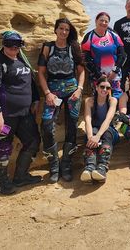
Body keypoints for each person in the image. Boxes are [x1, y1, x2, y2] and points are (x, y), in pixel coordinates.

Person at [0, 31, 42, 195]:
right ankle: (2, 183)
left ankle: (21, 176)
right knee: (2, 147)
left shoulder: (22, 59)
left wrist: (36, 99)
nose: (14, 48)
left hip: (24, 115)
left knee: (33, 141)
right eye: (10, 45)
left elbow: (30, 81)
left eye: (17, 45)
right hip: (5, 117)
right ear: (3, 44)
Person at [38, 18, 85, 183]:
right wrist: (47, 93)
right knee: (46, 123)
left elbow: (81, 70)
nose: (64, 32)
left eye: (66, 29)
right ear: (56, 30)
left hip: (72, 90)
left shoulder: (73, 47)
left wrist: (79, 89)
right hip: (53, 91)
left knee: (72, 124)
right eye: (61, 29)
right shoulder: (48, 48)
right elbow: (41, 73)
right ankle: (54, 165)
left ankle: (66, 164)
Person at [80, 75, 119, 182]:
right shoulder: (89, 101)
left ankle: (102, 168)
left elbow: (108, 120)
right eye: (102, 87)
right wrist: (90, 137)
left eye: (108, 88)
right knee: (91, 131)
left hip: (110, 132)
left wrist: (97, 137)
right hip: (94, 131)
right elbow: (87, 120)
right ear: (96, 87)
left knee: (106, 133)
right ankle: (89, 168)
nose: (105, 90)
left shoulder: (113, 101)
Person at [82, 12, 127, 99]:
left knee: (116, 98)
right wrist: (99, 75)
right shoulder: (89, 37)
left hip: (114, 75)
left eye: (106, 21)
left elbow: (122, 54)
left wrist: (115, 71)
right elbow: (85, 58)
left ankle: (116, 113)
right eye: (101, 20)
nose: (103, 23)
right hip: (98, 76)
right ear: (96, 21)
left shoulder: (113, 35)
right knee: (100, 100)